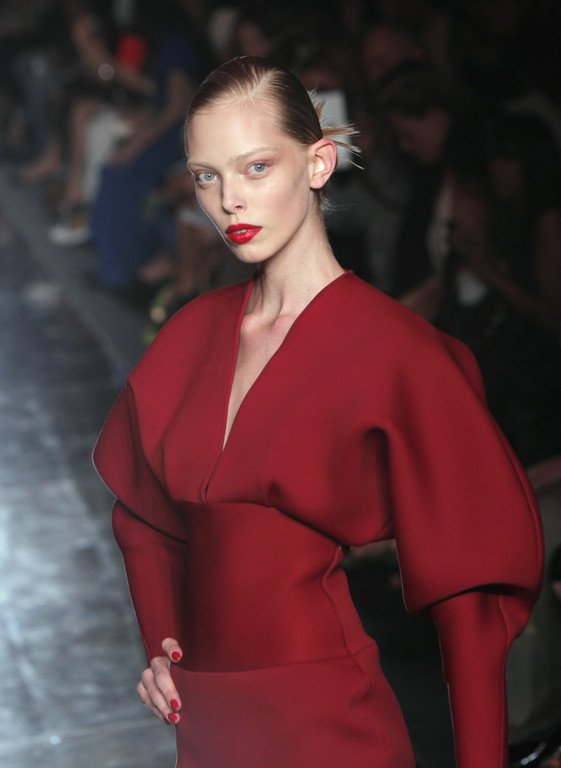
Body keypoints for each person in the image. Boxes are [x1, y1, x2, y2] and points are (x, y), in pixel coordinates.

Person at [93, 55, 543, 768]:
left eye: (256, 167)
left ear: (317, 163)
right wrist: (162, 645)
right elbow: (141, 514)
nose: (228, 201)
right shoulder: (191, 334)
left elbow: (472, 604)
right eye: (206, 175)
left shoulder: (395, 351)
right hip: (209, 722)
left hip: (327, 722)